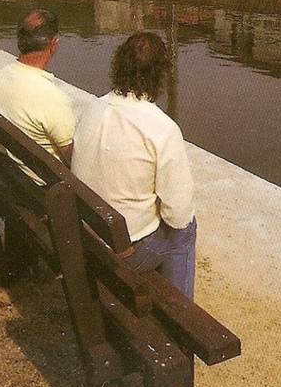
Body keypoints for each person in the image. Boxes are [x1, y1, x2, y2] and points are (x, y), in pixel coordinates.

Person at [71, 32, 197, 299]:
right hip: (126, 251)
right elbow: (178, 215)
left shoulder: (93, 108)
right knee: (186, 230)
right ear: (159, 75)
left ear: (119, 66)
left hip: (87, 233)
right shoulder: (162, 128)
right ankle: (183, 314)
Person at [0, 9, 75, 183]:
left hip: (11, 177)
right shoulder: (50, 97)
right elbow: (73, 161)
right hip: (43, 191)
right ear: (54, 44)